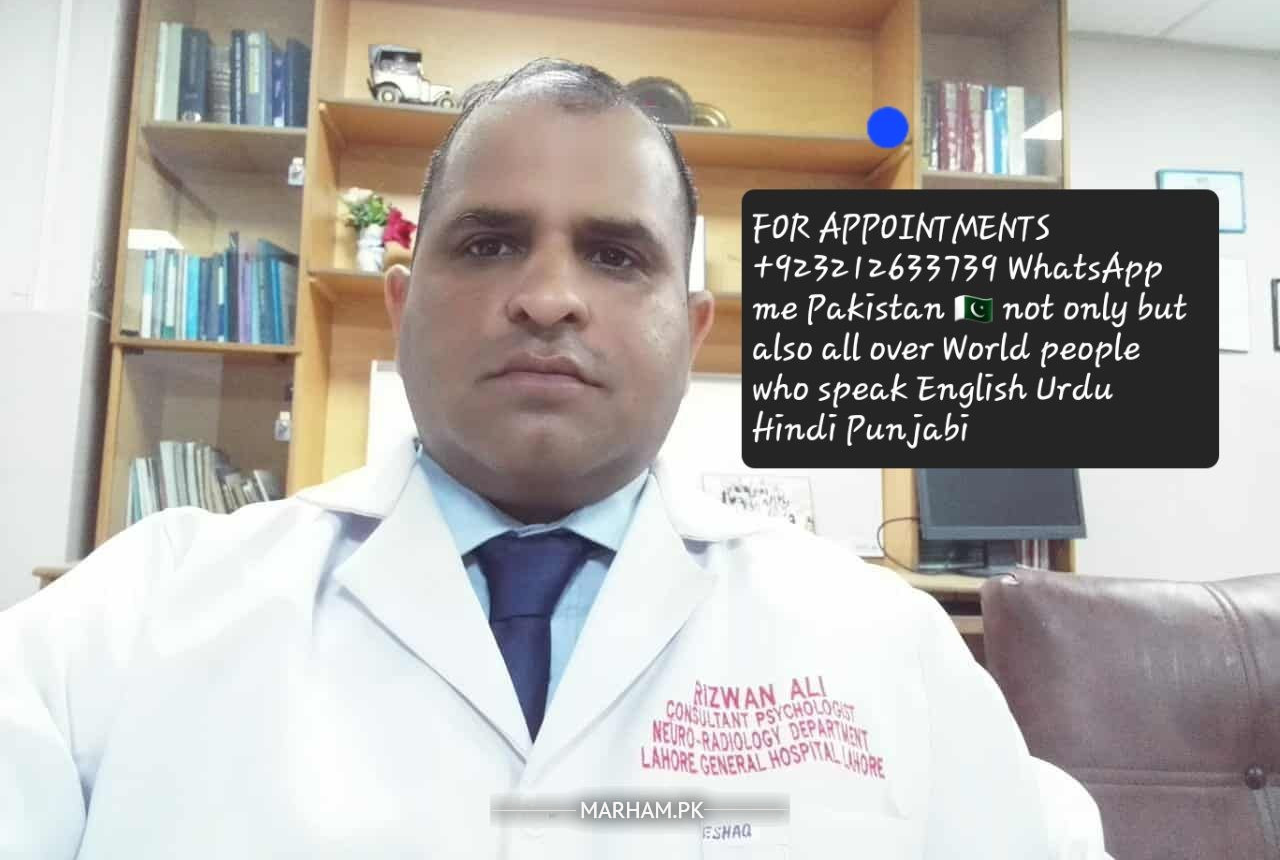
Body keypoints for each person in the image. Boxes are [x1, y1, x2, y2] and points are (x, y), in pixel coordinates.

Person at [0, 58, 1109, 858]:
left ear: (693, 330)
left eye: (615, 256)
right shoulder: (136, 617)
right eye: (488, 243)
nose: (545, 298)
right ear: (400, 305)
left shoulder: (884, 641)